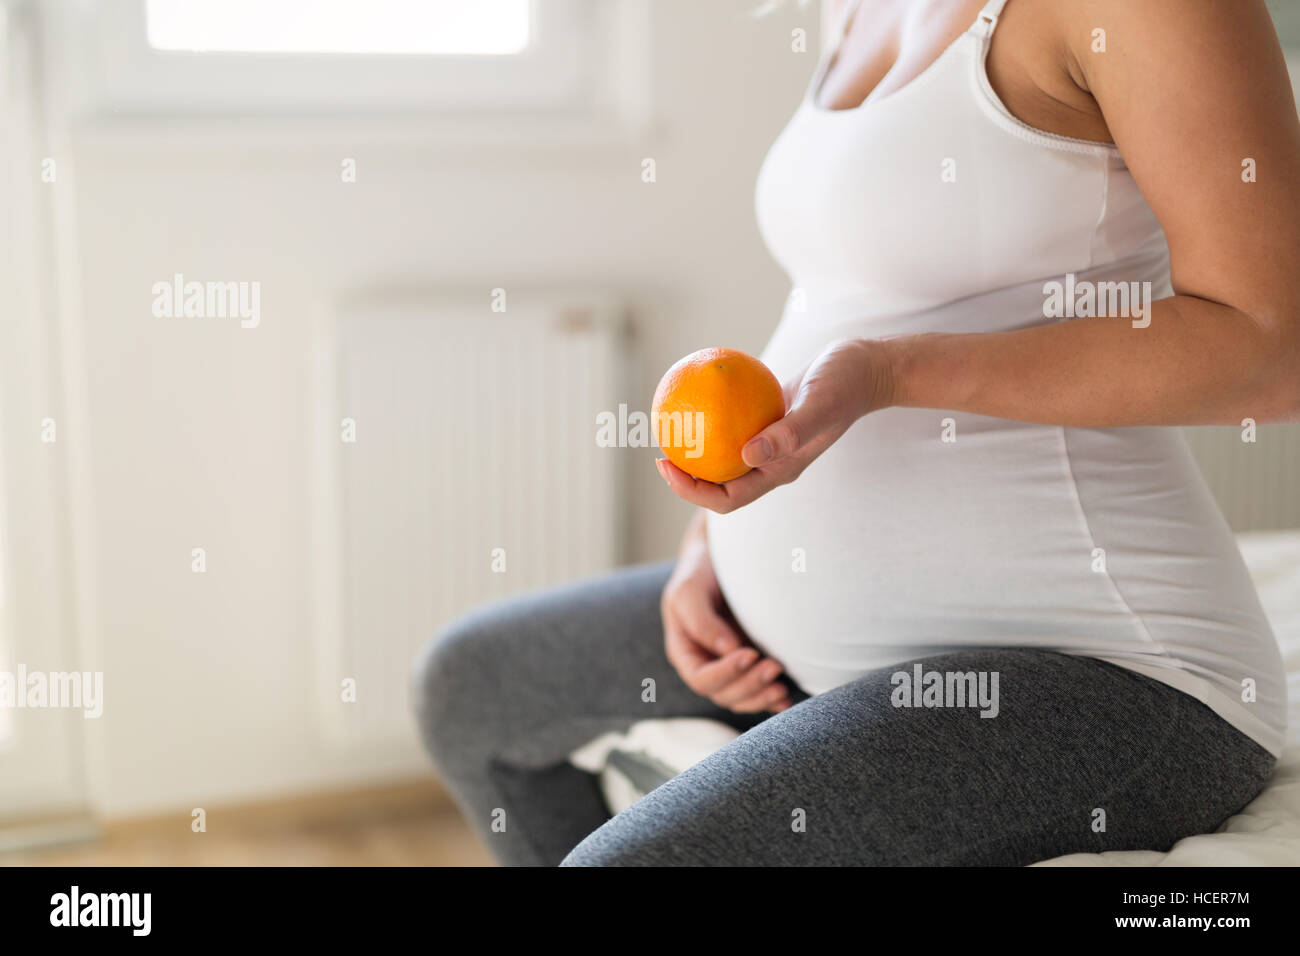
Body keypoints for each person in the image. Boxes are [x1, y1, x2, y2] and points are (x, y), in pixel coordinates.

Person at [416, 0, 1297, 866]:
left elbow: (1271, 351)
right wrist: (714, 537)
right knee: (473, 687)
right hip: (800, 641)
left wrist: (896, 373)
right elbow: (849, 288)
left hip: (1110, 673)